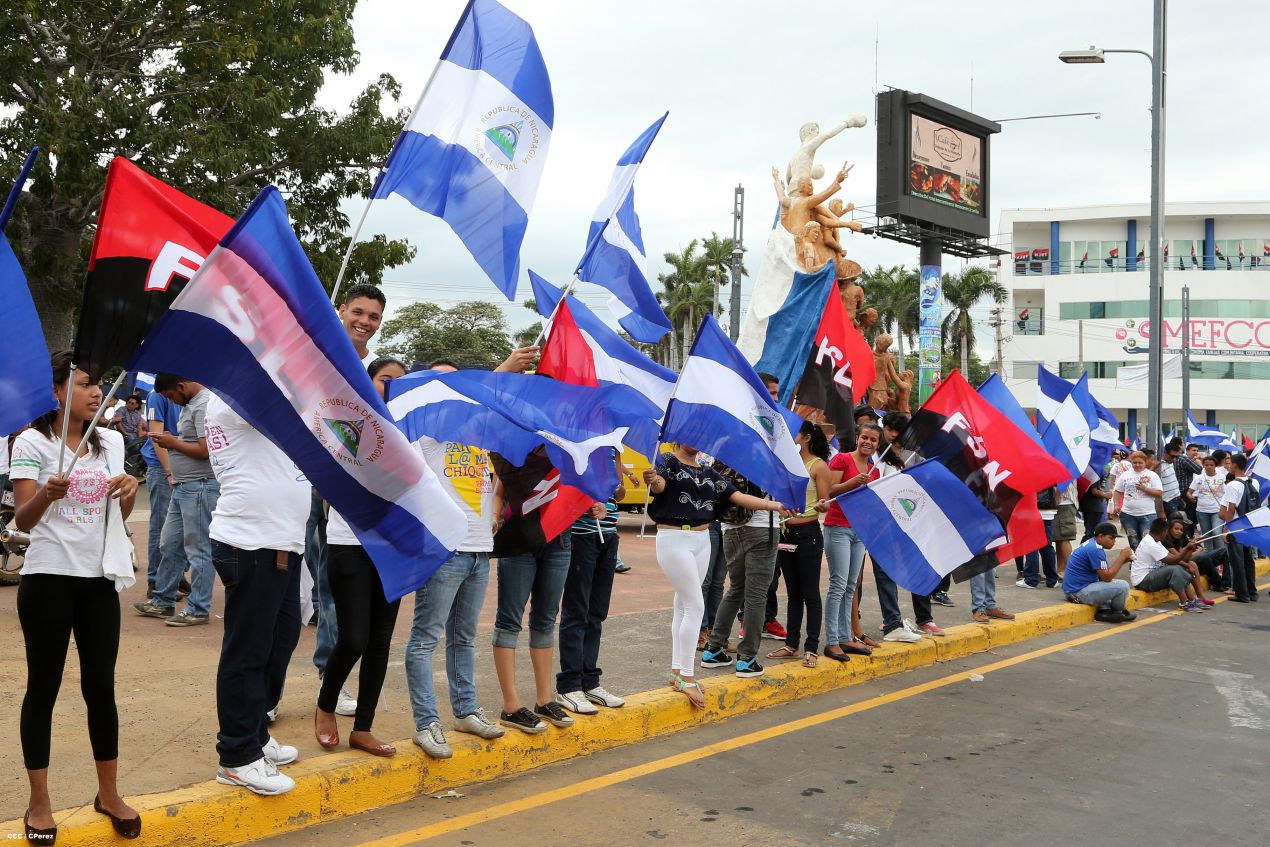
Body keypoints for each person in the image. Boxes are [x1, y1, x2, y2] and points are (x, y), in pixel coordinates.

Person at [10, 353, 142, 841]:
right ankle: (38, 802)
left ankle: (108, 794)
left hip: (99, 581)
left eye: (99, 384)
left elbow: (118, 517)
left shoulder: (109, 440)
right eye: (85, 383)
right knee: (42, 689)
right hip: (48, 579)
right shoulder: (30, 441)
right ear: (57, 392)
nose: (96, 391)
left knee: (100, 688)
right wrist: (47, 493)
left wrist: (127, 490)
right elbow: (23, 520)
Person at [203, 392, 310, 795]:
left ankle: (256, 735)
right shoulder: (233, 393)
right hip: (250, 545)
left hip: (283, 543)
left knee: (279, 642)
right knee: (247, 652)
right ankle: (236, 756)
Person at [405, 358, 510, 758]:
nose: (451, 388)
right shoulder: (425, 431)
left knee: (463, 637)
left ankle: (465, 710)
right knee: (425, 639)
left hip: (480, 550)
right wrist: (499, 370)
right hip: (444, 550)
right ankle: (426, 722)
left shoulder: (476, 433)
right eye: (441, 381)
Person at [314, 358, 408, 758]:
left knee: (381, 642)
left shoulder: (410, 432)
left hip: (393, 547)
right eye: (386, 379)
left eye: (402, 382)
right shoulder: (347, 422)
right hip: (348, 543)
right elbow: (326, 482)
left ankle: (363, 728)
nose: (393, 387)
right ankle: (325, 704)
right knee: (354, 637)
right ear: (369, 383)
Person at [646, 444, 788, 709]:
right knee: (695, 605)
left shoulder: (709, 472)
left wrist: (774, 505)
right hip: (674, 539)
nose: (696, 440)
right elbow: (660, 485)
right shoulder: (667, 461)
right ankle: (687, 676)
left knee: (682, 604)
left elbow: (738, 497)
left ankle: (677, 672)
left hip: (701, 540)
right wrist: (653, 480)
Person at [307, 283, 388, 718]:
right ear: (341, 310)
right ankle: (325, 683)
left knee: (359, 620)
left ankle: (332, 685)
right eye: (358, 312)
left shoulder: (371, 372)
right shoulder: (317, 356)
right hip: (319, 498)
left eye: (373, 317)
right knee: (328, 598)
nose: (365, 322)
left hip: (366, 512)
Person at [135, 373, 219, 626]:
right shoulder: (191, 404)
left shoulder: (203, 403)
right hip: (185, 486)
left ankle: (198, 608)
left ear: (181, 387)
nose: (171, 401)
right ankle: (163, 600)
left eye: (171, 396)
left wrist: (173, 442)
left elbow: (206, 450)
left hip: (199, 486)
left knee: (199, 549)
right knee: (169, 543)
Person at [554, 453, 628, 714]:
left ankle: (590, 681)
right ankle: (569, 685)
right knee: (577, 610)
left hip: (608, 535)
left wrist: (617, 488)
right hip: (581, 535)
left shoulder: (614, 447)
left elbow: (619, 493)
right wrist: (585, 502)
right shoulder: (578, 445)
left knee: (596, 612)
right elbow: (564, 484)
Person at [700, 462, 784, 681]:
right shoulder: (766, 456)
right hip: (762, 527)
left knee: (736, 589)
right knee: (756, 595)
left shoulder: (723, 456)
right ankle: (747, 659)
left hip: (729, 529)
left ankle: (714, 649)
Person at [868, 413, 945, 639]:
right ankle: (891, 621)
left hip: (913, 519)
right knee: (885, 572)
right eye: (890, 430)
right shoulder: (876, 455)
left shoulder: (915, 454)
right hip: (882, 523)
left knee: (918, 565)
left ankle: (925, 619)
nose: (894, 436)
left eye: (899, 432)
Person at [767, 421, 832, 668]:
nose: (791, 436)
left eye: (796, 433)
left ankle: (811, 648)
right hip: (786, 533)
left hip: (808, 534)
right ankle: (792, 645)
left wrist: (823, 504)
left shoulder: (819, 466)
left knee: (810, 593)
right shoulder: (789, 464)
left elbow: (826, 502)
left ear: (805, 438)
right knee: (793, 592)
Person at [820, 423, 882, 661]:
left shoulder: (874, 470)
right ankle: (832, 641)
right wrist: (853, 482)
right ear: (857, 438)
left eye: (873, 440)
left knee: (850, 587)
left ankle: (846, 637)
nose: (868, 442)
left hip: (859, 531)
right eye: (864, 437)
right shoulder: (842, 460)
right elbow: (829, 492)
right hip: (838, 528)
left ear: (878, 444)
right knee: (838, 584)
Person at [140, 387, 189, 600]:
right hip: (162, 466)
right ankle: (155, 580)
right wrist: (169, 471)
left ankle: (174, 576)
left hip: (181, 463)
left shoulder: (185, 390)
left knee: (181, 528)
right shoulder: (158, 394)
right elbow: (155, 435)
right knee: (161, 525)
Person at [1060, 522, 1135, 623]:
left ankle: (1105, 610)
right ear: (1100, 536)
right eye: (1111, 538)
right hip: (1077, 592)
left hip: (1074, 590)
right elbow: (1106, 577)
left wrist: (1123, 561)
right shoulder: (1094, 549)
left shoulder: (1092, 544)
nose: (1114, 541)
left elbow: (1104, 574)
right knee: (1123, 586)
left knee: (1114, 585)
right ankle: (1117, 611)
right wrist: (1121, 558)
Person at [1129, 518, 1206, 612]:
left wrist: (1188, 566)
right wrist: (1187, 548)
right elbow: (1172, 561)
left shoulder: (1155, 541)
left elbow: (1172, 556)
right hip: (1142, 581)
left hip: (1151, 576)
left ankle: (1192, 600)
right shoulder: (1150, 544)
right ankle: (1184, 603)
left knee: (1181, 567)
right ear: (1163, 531)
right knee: (1175, 569)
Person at [1219, 453, 1259, 603]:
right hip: (1249, 526)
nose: (1228, 465)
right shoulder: (1254, 482)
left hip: (1236, 526)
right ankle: (1252, 591)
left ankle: (1242, 594)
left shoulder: (1232, 485)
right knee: (1248, 559)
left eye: (1230, 463)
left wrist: (1227, 528)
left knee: (1237, 561)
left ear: (1234, 465)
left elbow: (1230, 509)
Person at [1110, 451, 1162, 550]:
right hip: (1128, 515)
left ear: (1145, 462)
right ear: (1131, 462)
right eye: (1135, 463)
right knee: (1133, 542)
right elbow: (1118, 491)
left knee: (1147, 542)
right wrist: (1117, 505)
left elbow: (1159, 493)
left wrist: (1145, 489)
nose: (1137, 465)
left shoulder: (1152, 475)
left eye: (1140, 463)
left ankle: (1146, 563)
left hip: (1147, 514)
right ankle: (1135, 563)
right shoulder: (1125, 475)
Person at [1162, 515, 1224, 599]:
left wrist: (1192, 547)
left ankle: (1200, 596)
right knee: (1199, 559)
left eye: (1181, 529)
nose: (1179, 531)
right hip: (1165, 566)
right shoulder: (1165, 540)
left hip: (1178, 562)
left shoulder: (1178, 539)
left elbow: (1185, 558)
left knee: (1222, 551)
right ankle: (1188, 600)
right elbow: (1177, 558)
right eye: (1176, 529)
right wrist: (1191, 548)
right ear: (1169, 529)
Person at [1017, 486, 1059, 588]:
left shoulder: (1027, 471)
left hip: (1032, 509)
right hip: (1048, 510)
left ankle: (1031, 579)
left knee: (1031, 545)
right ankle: (1052, 580)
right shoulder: (1051, 470)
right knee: (1047, 545)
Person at [1188, 455, 1225, 553]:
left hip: (1217, 511)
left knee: (1217, 533)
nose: (1209, 467)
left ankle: (1223, 556)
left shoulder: (1222, 477)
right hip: (1202, 511)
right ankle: (1210, 558)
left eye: (1211, 465)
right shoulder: (1198, 478)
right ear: (1203, 465)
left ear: (1215, 466)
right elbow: (1189, 491)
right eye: (1206, 465)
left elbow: (1226, 494)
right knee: (1206, 536)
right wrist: (1190, 496)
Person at [1053, 480, 1080, 574]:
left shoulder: (1066, 465)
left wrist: (1057, 495)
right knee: (1059, 538)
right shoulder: (1069, 465)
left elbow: (1064, 480)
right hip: (1065, 504)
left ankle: (1072, 571)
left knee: (1064, 538)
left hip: (1063, 503)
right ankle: (1061, 570)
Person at [1174, 442, 1203, 527]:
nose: (1196, 452)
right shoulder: (1184, 459)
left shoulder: (1177, 459)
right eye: (1193, 450)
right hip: (1186, 490)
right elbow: (1199, 470)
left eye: (1197, 450)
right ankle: (1188, 534)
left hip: (1176, 491)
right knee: (1188, 515)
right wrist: (1199, 462)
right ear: (1187, 451)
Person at [1158, 441, 1184, 516]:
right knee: (1174, 524)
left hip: (1177, 498)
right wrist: (1161, 511)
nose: (1174, 459)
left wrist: (1180, 498)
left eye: (1177, 457)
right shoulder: (1159, 466)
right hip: (1168, 501)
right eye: (1172, 456)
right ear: (1165, 453)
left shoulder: (1171, 463)